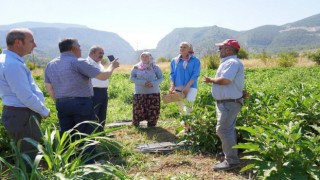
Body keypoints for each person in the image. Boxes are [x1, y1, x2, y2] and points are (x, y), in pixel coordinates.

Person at [44, 38, 119, 163]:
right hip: (81, 103)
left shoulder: (51, 64)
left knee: (67, 133)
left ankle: (68, 162)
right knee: (86, 133)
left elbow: (49, 87)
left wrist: (58, 101)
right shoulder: (78, 62)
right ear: (73, 48)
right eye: (79, 46)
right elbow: (103, 76)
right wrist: (112, 66)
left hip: (62, 103)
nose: (80, 49)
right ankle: (88, 164)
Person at [0, 28, 50, 169]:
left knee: (25, 154)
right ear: (18, 43)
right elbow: (25, 96)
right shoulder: (13, 64)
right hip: (23, 115)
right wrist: (44, 111)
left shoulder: (6, 60)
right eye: (31, 41)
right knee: (29, 157)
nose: (35, 45)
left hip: (17, 114)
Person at [203, 39, 244, 171]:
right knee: (228, 129)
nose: (219, 50)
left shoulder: (231, 62)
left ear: (229, 50)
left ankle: (231, 161)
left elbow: (226, 80)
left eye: (221, 48)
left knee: (223, 130)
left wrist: (210, 80)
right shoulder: (230, 62)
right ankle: (230, 153)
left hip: (229, 103)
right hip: (227, 102)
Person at [169, 42, 201, 132]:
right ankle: (185, 127)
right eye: (181, 47)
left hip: (191, 86)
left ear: (189, 49)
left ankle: (191, 127)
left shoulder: (195, 60)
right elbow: (172, 74)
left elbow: (195, 74)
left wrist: (187, 87)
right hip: (178, 86)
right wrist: (172, 86)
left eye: (185, 47)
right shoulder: (174, 60)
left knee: (189, 106)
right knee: (181, 107)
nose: (182, 49)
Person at [130, 51, 163, 127]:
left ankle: (151, 124)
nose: (144, 58)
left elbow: (161, 78)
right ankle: (136, 124)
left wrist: (153, 83)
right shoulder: (136, 67)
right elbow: (132, 78)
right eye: (143, 56)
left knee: (153, 109)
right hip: (140, 92)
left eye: (146, 56)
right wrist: (143, 82)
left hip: (153, 92)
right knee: (138, 109)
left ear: (150, 57)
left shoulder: (155, 67)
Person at [87, 45, 109, 131]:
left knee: (102, 113)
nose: (102, 55)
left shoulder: (99, 64)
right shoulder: (87, 63)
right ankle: (92, 134)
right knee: (94, 114)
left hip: (103, 92)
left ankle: (100, 133)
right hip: (93, 92)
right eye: (100, 53)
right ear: (92, 53)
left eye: (103, 53)